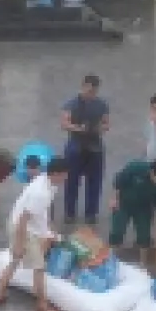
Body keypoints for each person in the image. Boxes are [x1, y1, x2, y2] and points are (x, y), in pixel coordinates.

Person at [0, 154, 64, 311]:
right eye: (64, 175)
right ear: (57, 173)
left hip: (24, 225)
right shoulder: (41, 192)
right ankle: (42, 305)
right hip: (23, 228)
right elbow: (24, 219)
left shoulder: (47, 182)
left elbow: (41, 212)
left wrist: (49, 230)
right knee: (39, 267)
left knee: (16, 260)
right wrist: (19, 243)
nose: (66, 178)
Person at [57, 74, 110, 228]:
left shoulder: (101, 104)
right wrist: (78, 128)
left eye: (94, 91)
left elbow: (106, 123)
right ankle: (69, 212)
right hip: (76, 143)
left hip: (95, 145)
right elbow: (64, 123)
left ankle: (91, 213)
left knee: (95, 181)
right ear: (83, 86)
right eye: (89, 90)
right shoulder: (72, 103)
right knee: (71, 180)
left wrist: (99, 128)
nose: (91, 94)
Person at [108, 156, 156, 261]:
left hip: (144, 207)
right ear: (152, 172)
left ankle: (143, 263)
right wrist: (114, 199)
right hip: (123, 203)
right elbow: (119, 181)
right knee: (117, 231)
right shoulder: (136, 167)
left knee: (144, 235)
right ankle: (112, 258)